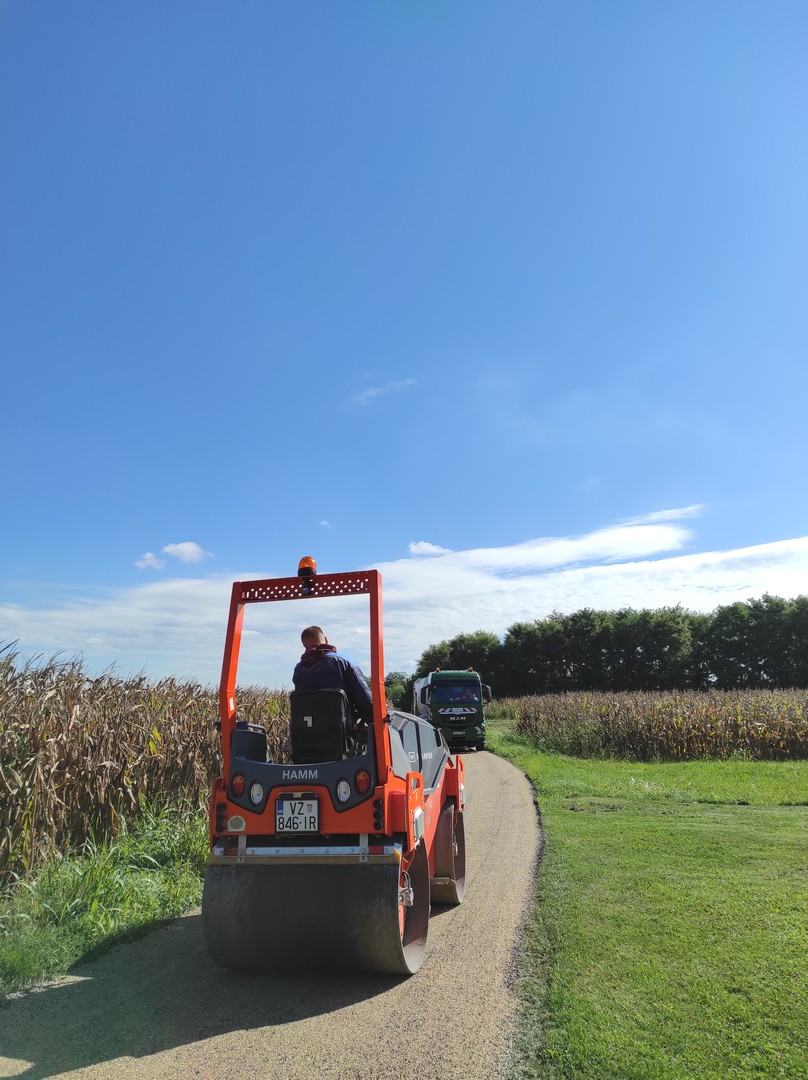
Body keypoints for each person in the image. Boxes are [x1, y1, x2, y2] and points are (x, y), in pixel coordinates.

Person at [292, 625, 374, 728]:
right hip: (341, 736)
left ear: (304, 646)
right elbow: (366, 702)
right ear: (326, 640)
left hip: (308, 736)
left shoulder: (299, 669)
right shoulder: (344, 663)